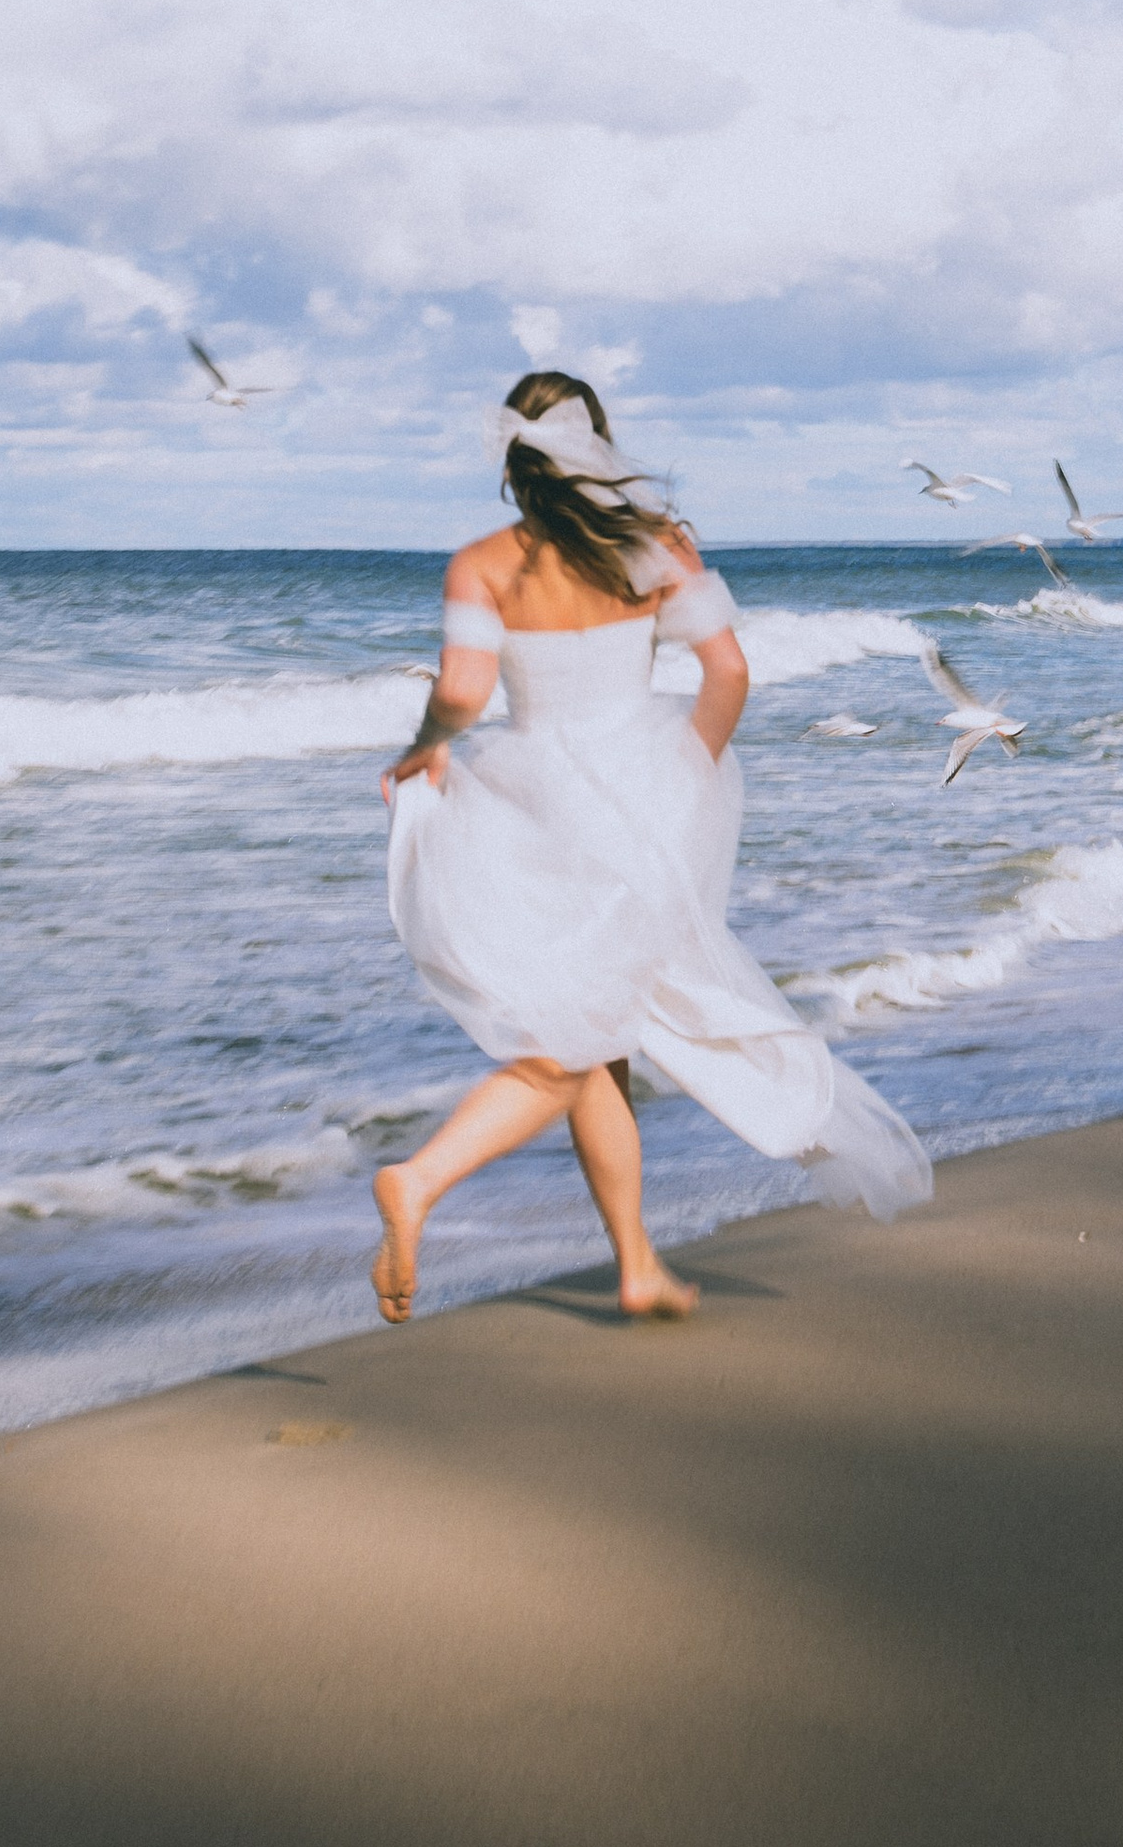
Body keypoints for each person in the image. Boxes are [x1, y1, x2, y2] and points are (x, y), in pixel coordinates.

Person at [371, 369, 931, 1324]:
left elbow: (464, 694)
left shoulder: (482, 563)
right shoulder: (656, 551)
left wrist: (424, 746)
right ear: (599, 444)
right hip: (639, 798)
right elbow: (729, 671)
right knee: (581, 1037)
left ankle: (636, 1266)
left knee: (599, 1039)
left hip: (532, 798)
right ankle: (421, 1180)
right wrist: (692, 773)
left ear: (514, 458)